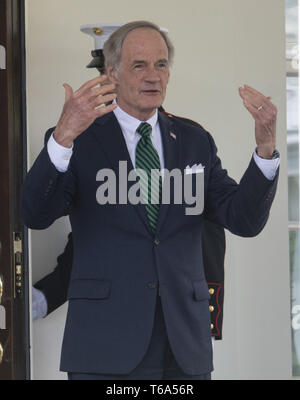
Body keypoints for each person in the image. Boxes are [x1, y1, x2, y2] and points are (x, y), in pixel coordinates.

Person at [21, 21, 279, 380]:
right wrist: (63, 135)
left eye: (161, 64)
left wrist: (266, 151)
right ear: (112, 74)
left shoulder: (194, 140)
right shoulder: (79, 138)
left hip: (183, 346)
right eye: (139, 65)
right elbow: (35, 213)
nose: (153, 76)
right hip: (104, 346)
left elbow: (244, 220)